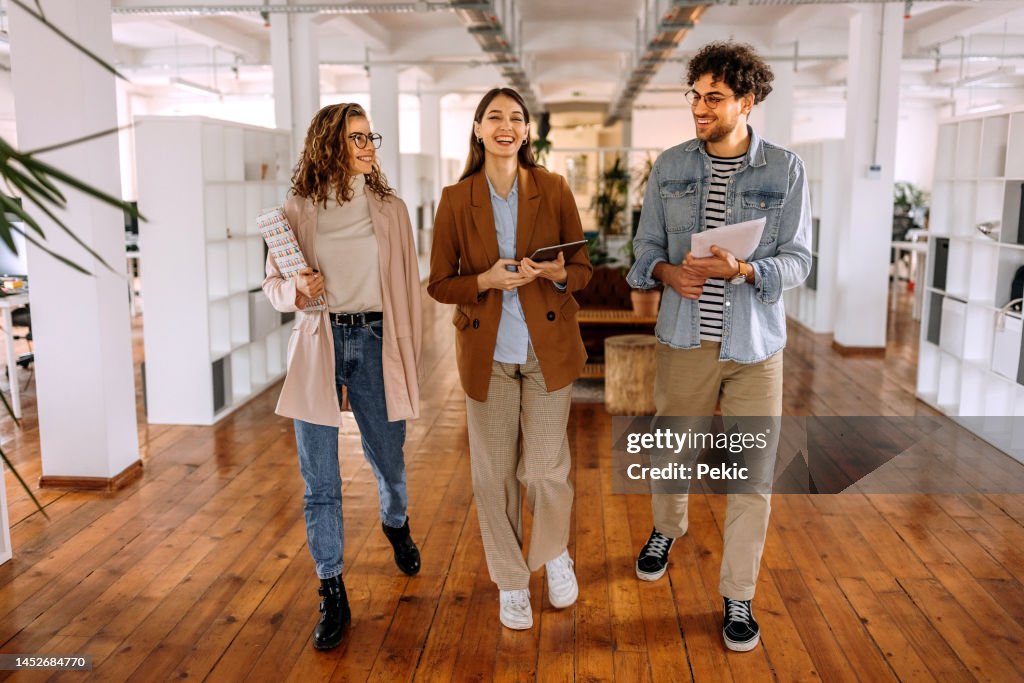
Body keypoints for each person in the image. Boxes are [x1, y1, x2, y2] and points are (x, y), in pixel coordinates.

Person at [626, 42, 811, 652]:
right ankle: (666, 528)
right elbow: (644, 251)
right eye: (695, 96)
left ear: (747, 102)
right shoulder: (671, 166)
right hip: (684, 338)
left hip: (755, 346)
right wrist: (664, 275)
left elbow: (799, 260)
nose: (699, 108)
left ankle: (738, 596)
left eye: (714, 98)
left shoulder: (785, 170)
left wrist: (746, 271)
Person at [427, 87, 593, 630]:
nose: (506, 125)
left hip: (548, 353)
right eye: (494, 117)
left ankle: (554, 554)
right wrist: (485, 280)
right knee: (493, 476)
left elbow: (583, 268)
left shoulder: (554, 187)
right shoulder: (456, 199)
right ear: (477, 129)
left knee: (546, 471)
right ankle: (512, 582)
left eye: (516, 118)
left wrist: (555, 272)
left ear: (527, 131)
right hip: (488, 355)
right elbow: (440, 284)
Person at [262, 103, 422, 651]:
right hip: (320, 343)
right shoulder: (297, 208)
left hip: (378, 342)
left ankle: (395, 521)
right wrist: (296, 290)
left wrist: (412, 352)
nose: (369, 144)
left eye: (371, 135)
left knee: (389, 459)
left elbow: (407, 286)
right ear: (329, 143)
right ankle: (331, 587)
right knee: (320, 483)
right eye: (357, 136)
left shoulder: (391, 209)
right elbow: (274, 286)